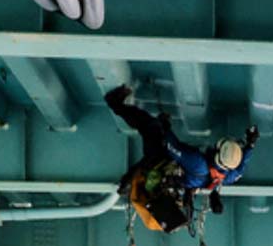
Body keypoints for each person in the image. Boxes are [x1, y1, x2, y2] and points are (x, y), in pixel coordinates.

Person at [104, 84, 259, 217]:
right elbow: (241, 165)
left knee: (149, 128)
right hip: (178, 173)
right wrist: (250, 144)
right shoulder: (229, 174)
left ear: (218, 151)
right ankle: (127, 182)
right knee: (148, 157)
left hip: (164, 159)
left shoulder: (198, 164)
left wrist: (165, 126)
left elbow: (172, 148)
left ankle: (114, 103)